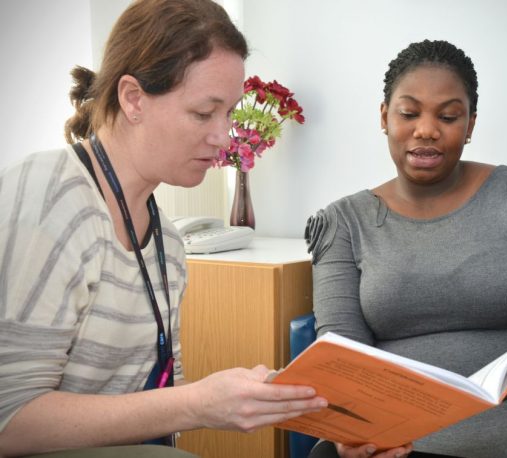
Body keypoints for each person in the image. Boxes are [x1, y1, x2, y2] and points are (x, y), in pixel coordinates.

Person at [0, 0, 327, 456]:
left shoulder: (167, 246)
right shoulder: (50, 196)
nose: (223, 137)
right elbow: (8, 420)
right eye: (203, 113)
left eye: (229, 113)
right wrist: (196, 404)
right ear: (133, 98)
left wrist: (244, 398)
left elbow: (154, 403)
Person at [304, 39, 507, 458]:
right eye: (409, 112)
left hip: (499, 428)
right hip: (388, 434)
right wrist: (352, 429)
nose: (427, 129)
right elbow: (341, 350)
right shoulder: (344, 220)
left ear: (470, 125)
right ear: (384, 117)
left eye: (449, 115)